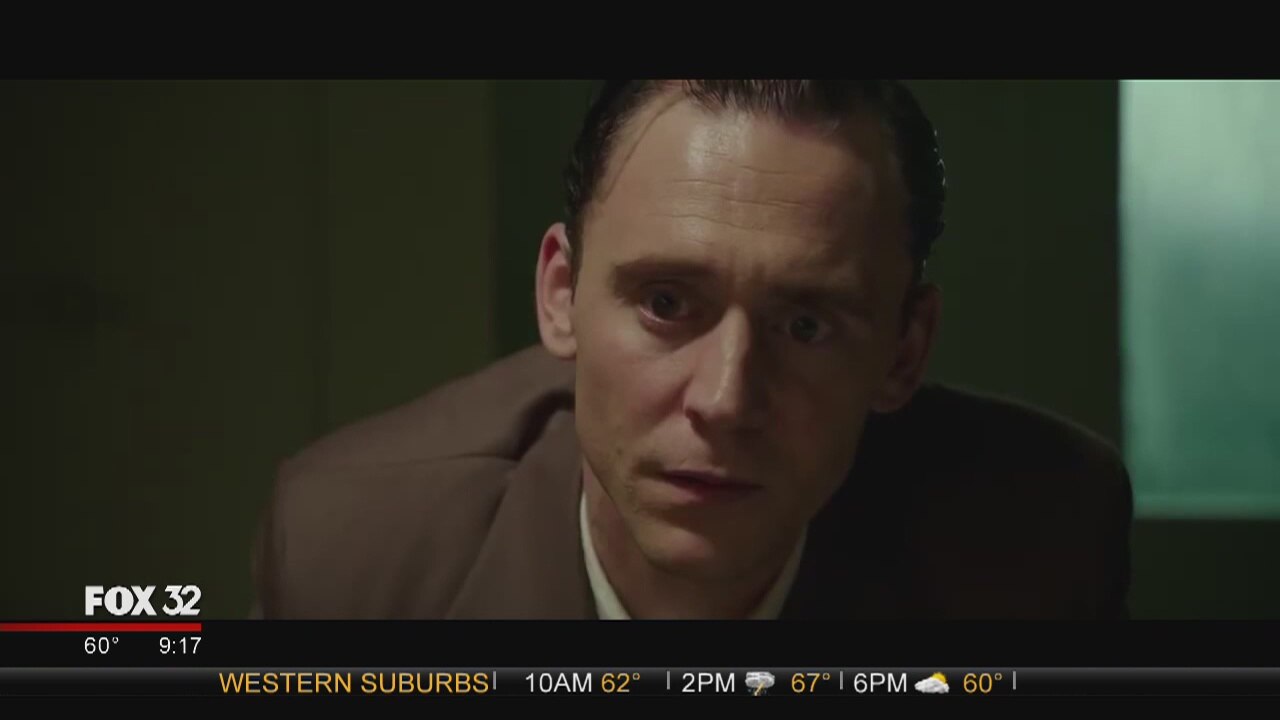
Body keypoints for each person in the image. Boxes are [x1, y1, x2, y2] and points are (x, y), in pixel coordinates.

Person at [250, 80, 1133, 620]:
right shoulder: (354, 556)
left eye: (807, 326)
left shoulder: (1040, 543)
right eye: (667, 304)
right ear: (561, 295)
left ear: (905, 351)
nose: (725, 399)